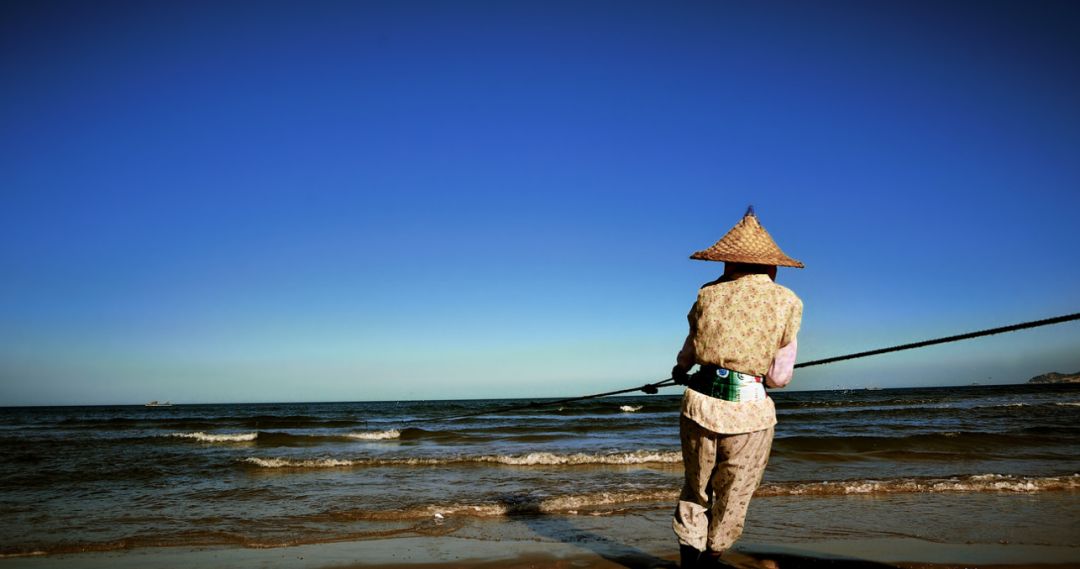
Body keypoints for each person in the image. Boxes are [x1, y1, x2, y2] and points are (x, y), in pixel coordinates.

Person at [670, 206, 804, 568]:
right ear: (771, 267)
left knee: (696, 489)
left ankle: (690, 564)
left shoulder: (707, 294)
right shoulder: (789, 302)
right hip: (750, 415)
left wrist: (680, 369)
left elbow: (690, 349)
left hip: (699, 405)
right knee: (734, 495)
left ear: (727, 263)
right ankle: (713, 559)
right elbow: (779, 377)